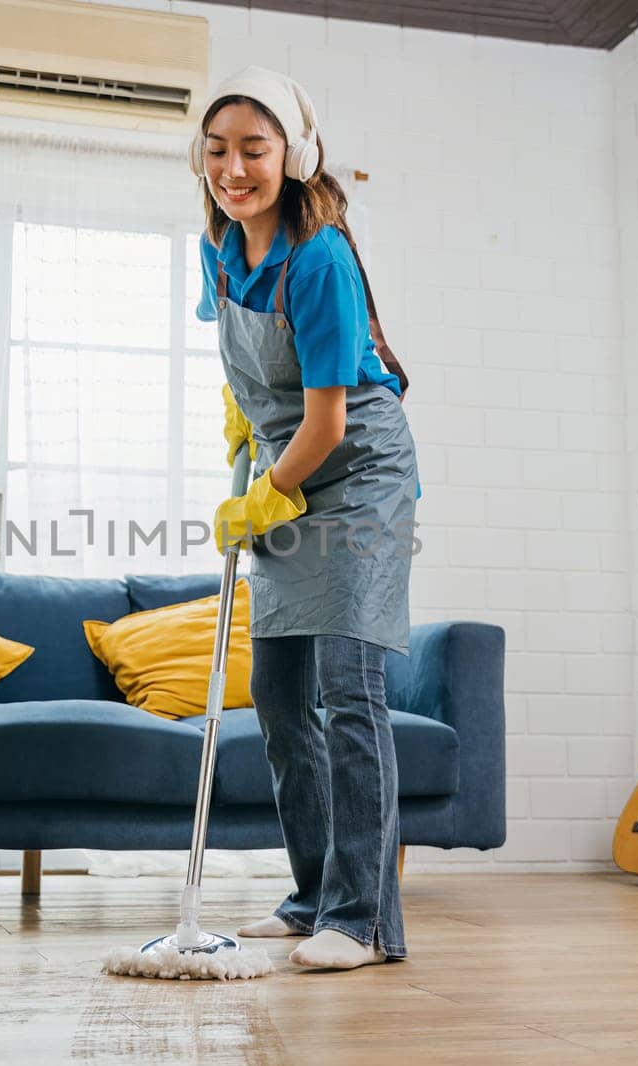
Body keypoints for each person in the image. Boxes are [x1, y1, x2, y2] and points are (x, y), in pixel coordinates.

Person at [193, 66, 419, 971]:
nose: (234, 167)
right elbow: (245, 361)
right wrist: (239, 416)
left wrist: (264, 495)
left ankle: (361, 919)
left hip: (355, 468)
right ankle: (313, 894)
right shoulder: (215, 246)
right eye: (217, 150)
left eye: (254, 148)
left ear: (294, 155)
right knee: (281, 697)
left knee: (348, 687)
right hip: (286, 453)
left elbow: (328, 420)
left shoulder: (319, 254)